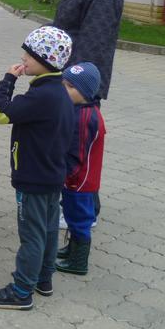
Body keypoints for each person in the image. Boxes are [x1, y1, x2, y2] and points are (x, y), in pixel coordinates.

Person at [0, 26, 74, 310]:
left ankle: (22, 290)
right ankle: (44, 279)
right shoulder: (59, 92)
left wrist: (8, 79)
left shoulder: (40, 96)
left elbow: (0, 113)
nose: (23, 58)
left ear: (45, 60)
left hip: (33, 178)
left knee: (32, 235)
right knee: (48, 230)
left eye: (29, 54)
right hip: (52, 175)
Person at [56, 62, 105, 276]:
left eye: (70, 87)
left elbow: (77, 152)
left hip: (80, 180)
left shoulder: (84, 118)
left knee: (79, 219)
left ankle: (78, 261)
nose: (64, 90)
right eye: (64, 85)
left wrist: (67, 175)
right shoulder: (81, 109)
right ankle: (71, 249)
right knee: (71, 214)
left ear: (85, 92)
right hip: (76, 178)